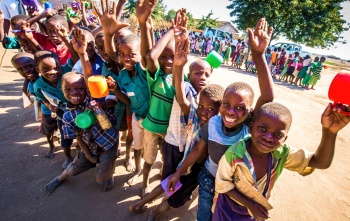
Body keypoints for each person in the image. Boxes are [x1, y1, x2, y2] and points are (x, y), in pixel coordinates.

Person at [166, 18, 275, 221]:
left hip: (235, 185)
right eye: (226, 104)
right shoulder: (213, 123)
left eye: (240, 108)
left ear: (250, 112)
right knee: (204, 216)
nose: (231, 112)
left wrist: (259, 55)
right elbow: (198, 150)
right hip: (209, 178)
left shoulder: (248, 128)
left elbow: (267, 97)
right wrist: (178, 172)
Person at [129, 14, 223, 219]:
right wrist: (179, 65)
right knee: (170, 182)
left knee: (170, 181)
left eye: (207, 74)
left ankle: (143, 204)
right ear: (189, 75)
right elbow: (180, 91)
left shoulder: (206, 105)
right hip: (175, 145)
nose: (203, 78)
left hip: (188, 154)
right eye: (198, 73)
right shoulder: (189, 98)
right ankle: (146, 205)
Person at [212, 102, 350, 221]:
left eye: (278, 134)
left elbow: (320, 162)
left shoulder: (281, 154)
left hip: (253, 212)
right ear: (251, 127)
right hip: (226, 209)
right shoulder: (234, 154)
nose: (268, 137)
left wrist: (329, 132)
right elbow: (222, 185)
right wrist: (250, 205)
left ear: (285, 139)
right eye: (262, 128)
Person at [96, 0, 151, 196]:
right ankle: (136, 168)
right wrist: (115, 89)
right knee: (134, 142)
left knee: (151, 150)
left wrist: (145, 25)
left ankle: (146, 176)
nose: (126, 58)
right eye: (122, 54)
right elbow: (127, 99)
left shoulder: (144, 69)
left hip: (153, 119)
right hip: (135, 114)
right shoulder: (122, 75)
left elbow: (146, 54)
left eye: (131, 54)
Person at [44, 72, 119, 195]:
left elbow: (113, 100)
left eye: (79, 88)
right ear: (61, 90)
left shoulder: (92, 99)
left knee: (102, 176)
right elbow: (78, 137)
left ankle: (109, 174)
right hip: (89, 146)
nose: (74, 93)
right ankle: (60, 178)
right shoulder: (67, 116)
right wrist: (88, 155)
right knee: (73, 169)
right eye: (68, 89)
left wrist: (100, 106)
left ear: (87, 89)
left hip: (109, 142)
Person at [33, 50, 74, 168]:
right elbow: (41, 97)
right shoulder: (38, 85)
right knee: (62, 135)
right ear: (38, 70)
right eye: (46, 69)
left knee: (78, 132)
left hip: (72, 109)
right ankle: (67, 157)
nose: (52, 72)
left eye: (56, 68)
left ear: (60, 66)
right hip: (58, 112)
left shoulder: (66, 71)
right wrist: (48, 105)